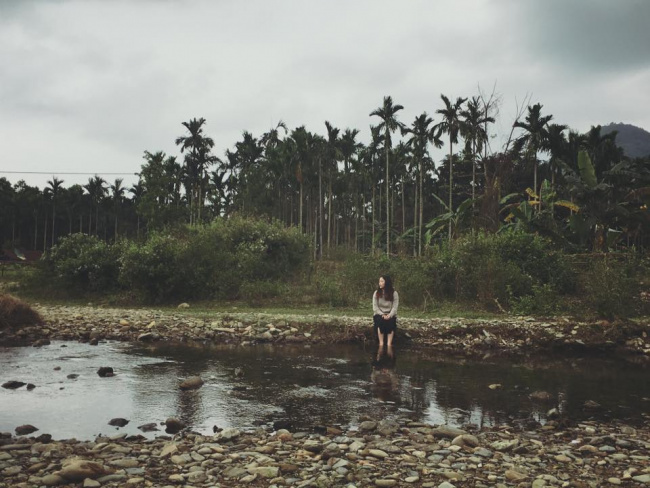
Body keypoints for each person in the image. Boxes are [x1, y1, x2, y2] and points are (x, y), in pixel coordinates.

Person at [372, 275, 399, 346]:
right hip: (379, 314)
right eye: (379, 281)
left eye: (381, 281)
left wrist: (389, 315)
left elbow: (395, 307)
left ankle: (389, 344)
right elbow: (375, 307)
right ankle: (381, 343)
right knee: (381, 321)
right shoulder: (376, 293)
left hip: (390, 314)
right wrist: (382, 314)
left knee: (390, 321)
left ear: (386, 282)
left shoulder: (394, 293)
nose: (379, 283)